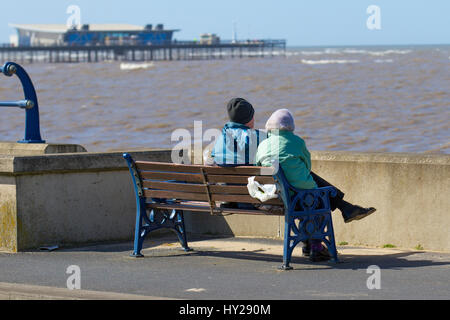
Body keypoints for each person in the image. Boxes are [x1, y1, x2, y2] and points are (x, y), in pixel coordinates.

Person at [255, 109, 376, 261]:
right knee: (317, 197)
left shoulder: (262, 146)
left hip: (274, 198)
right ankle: (316, 248)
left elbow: (258, 168)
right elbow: (307, 166)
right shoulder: (297, 142)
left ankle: (311, 241)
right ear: (290, 126)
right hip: (298, 199)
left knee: (308, 189)